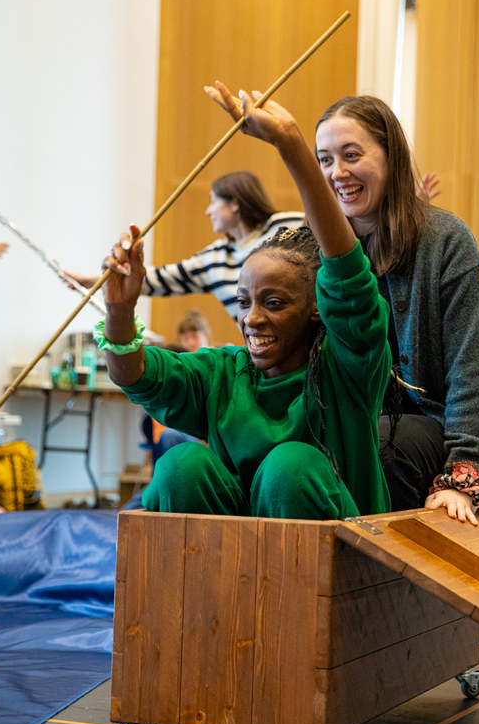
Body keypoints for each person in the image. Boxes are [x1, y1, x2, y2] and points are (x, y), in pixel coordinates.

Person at [207, 85, 479, 525]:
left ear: (391, 157)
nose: (337, 172)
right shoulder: (305, 247)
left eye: (351, 155)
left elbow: (470, 367)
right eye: (324, 159)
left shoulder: (447, 242)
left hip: (415, 426)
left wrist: (463, 472)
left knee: (379, 448)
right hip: (331, 413)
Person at [96, 91, 394, 521]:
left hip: (341, 569)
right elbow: (136, 375)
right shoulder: (225, 374)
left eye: (273, 303)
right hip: (240, 566)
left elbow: (348, 273)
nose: (252, 318)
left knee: (290, 468)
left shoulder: (347, 367)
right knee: (181, 466)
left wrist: (291, 143)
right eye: (243, 302)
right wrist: (120, 312)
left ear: (317, 307)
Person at [66, 171, 304, 318]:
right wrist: (95, 282)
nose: (207, 211)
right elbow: (160, 280)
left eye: (213, 202)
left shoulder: (288, 225)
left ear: (234, 204)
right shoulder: (215, 258)